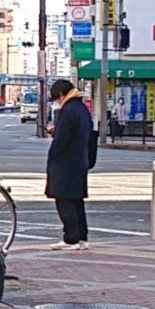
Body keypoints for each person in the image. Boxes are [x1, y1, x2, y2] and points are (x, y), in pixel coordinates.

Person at [45, 74, 94, 248]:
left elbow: (61, 140)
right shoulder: (82, 109)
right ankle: (82, 238)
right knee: (77, 201)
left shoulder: (67, 111)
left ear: (61, 94)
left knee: (64, 200)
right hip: (80, 160)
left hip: (65, 163)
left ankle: (71, 238)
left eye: (57, 99)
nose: (58, 102)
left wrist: (52, 154)